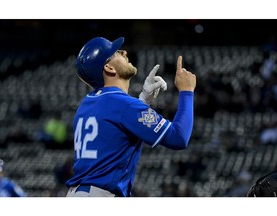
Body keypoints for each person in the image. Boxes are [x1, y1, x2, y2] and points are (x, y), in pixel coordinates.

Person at [65, 36, 196, 197]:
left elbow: (116, 130)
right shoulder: (123, 105)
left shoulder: (87, 103)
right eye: (116, 52)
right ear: (109, 68)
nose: (124, 52)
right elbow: (179, 137)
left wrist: (143, 101)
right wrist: (187, 91)